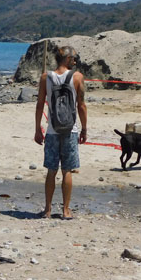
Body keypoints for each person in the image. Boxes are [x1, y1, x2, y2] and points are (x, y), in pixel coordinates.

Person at [34, 45, 87, 219]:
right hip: (70, 129)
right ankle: (65, 210)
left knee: (51, 170)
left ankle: (48, 209)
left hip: (52, 130)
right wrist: (84, 129)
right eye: (74, 58)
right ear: (67, 58)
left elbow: (40, 104)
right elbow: (81, 106)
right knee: (67, 171)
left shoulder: (45, 77)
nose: (76, 61)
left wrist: (37, 129)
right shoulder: (78, 77)